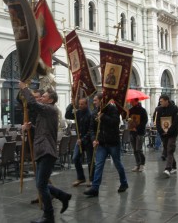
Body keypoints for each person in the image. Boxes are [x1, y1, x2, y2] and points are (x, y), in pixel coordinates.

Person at [19, 82, 71, 223]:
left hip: (47, 151)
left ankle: (49, 216)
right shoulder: (46, 111)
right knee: (40, 183)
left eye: (44, 96)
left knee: (41, 184)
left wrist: (25, 89)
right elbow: (43, 130)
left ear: (51, 100)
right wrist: (30, 127)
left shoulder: (50, 109)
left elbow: (33, 104)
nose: (41, 97)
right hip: (42, 150)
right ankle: (63, 196)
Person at [83, 93, 128, 197]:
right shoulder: (94, 112)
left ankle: (124, 182)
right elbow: (92, 129)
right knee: (98, 165)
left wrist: (104, 117)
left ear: (101, 101)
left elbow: (115, 122)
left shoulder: (112, 109)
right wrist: (94, 139)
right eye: (93, 101)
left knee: (117, 163)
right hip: (101, 143)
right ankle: (95, 188)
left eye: (95, 100)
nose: (93, 102)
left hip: (113, 142)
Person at [65, 97, 93, 186]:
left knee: (90, 161)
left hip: (88, 141)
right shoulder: (78, 113)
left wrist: (83, 139)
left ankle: (91, 179)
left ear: (86, 104)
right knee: (75, 158)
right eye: (79, 104)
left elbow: (91, 130)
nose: (80, 106)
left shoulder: (90, 114)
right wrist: (71, 105)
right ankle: (81, 178)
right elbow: (67, 115)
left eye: (82, 104)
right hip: (79, 139)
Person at [156, 95, 178, 178]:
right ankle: (174, 166)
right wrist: (161, 131)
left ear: (167, 101)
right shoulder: (159, 109)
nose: (160, 102)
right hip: (163, 134)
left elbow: (176, 122)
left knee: (170, 149)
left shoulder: (174, 108)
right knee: (167, 149)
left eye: (161, 101)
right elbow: (157, 122)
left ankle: (168, 169)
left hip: (172, 133)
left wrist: (169, 131)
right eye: (160, 101)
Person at [128, 98, 148, 172]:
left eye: (132, 101)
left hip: (140, 132)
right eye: (130, 101)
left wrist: (137, 128)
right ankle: (137, 164)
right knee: (134, 150)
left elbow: (145, 121)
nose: (131, 102)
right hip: (132, 132)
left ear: (136, 101)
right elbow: (128, 119)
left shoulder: (142, 110)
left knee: (139, 149)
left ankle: (142, 164)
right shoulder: (130, 110)